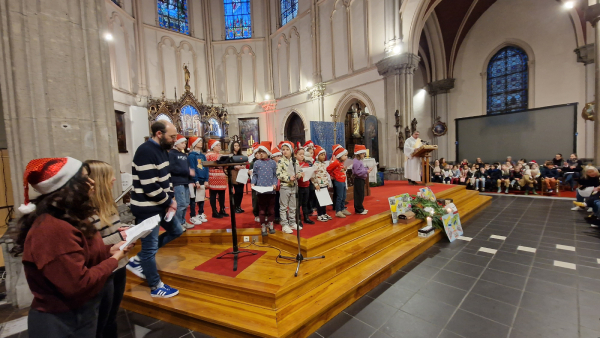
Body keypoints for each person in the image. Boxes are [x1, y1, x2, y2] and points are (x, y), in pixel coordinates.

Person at [16, 157, 129, 337]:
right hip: (62, 320)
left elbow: (80, 255)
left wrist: (109, 251)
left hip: (79, 312)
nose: (92, 182)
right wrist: (113, 260)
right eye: (85, 177)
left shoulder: (69, 217)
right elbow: (78, 284)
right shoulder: (52, 228)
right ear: (70, 186)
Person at [127, 121, 182, 298]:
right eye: (172, 136)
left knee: (176, 230)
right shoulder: (145, 151)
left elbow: (165, 179)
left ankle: (139, 260)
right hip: (147, 208)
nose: (174, 140)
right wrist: (169, 202)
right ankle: (155, 286)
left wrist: (170, 198)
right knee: (150, 248)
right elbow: (149, 186)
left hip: (161, 204)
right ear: (159, 133)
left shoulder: (162, 150)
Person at [85, 160, 133, 338]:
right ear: (97, 180)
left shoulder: (107, 202)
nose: (114, 179)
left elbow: (110, 230)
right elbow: (92, 246)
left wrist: (123, 231)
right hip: (103, 268)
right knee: (101, 321)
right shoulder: (86, 210)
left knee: (112, 316)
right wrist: (121, 237)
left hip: (119, 264)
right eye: (109, 176)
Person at [251, 142, 278, 236]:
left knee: (271, 209)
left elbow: (275, 176)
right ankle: (263, 225)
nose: (261, 153)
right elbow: (255, 175)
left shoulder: (273, 163)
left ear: (267, 152)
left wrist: (275, 184)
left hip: (271, 190)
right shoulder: (257, 163)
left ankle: (270, 224)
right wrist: (253, 183)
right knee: (262, 210)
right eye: (259, 152)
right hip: (260, 190)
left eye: (263, 152)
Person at [277, 141, 303, 234]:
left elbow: (299, 171)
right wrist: (289, 178)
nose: (285, 151)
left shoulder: (294, 160)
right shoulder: (281, 161)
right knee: (283, 206)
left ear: (291, 151)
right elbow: (278, 174)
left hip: (294, 186)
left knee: (293, 206)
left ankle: (292, 222)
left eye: (287, 149)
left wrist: (298, 175)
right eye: (283, 150)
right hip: (285, 186)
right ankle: (284, 224)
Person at [169, 134, 192, 229]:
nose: (184, 145)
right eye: (182, 143)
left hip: (185, 181)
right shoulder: (171, 154)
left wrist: (190, 179)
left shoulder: (183, 155)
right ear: (176, 143)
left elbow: (188, 167)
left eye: (185, 143)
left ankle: (183, 221)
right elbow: (172, 168)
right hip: (177, 182)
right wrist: (187, 171)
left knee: (186, 203)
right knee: (180, 203)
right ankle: (177, 224)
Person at [188, 136, 208, 225]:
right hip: (196, 179)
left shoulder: (203, 155)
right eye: (199, 141)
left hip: (203, 178)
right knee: (194, 198)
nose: (201, 143)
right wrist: (195, 180)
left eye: (201, 141)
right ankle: (193, 215)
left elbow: (206, 167)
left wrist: (207, 179)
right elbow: (192, 168)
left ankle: (200, 213)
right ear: (195, 144)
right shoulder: (191, 156)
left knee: (201, 197)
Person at [206, 139, 229, 218]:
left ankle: (222, 209)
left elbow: (225, 166)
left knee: (222, 194)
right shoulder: (208, 155)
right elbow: (207, 164)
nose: (219, 147)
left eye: (219, 145)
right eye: (217, 145)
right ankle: (214, 211)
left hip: (221, 175)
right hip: (213, 175)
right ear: (213, 147)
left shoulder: (221, 155)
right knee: (213, 194)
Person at [328, 145, 350, 218]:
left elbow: (341, 170)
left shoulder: (342, 162)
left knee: (344, 196)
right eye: (345, 155)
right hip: (338, 181)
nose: (346, 157)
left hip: (343, 180)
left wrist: (345, 169)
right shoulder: (336, 162)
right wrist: (333, 175)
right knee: (339, 196)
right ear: (340, 156)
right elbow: (328, 169)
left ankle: (342, 208)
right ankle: (338, 211)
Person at [296, 144, 314, 225]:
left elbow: (310, 174)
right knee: (298, 203)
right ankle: (298, 218)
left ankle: (306, 217)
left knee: (305, 203)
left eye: (303, 154)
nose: (302, 156)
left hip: (306, 185)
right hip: (299, 186)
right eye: (300, 154)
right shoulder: (295, 164)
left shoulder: (306, 163)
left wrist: (313, 172)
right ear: (295, 155)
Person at [312, 145, 331, 222]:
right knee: (320, 201)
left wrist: (327, 183)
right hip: (319, 185)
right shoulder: (315, 165)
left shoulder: (323, 164)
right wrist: (316, 184)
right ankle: (320, 215)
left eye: (324, 155)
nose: (323, 156)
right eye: (321, 155)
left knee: (324, 200)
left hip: (324, 184)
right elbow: (312, 176)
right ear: (317, 156)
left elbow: (325, 174)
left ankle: (324, 213)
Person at [352, 145, 371, 215]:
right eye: (363, 153)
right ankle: (358, 209)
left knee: (361, 195)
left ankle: (361, 207)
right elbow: (357, 172)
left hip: (361, 179)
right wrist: (366, 171)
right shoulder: (356, 161)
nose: (364, 155)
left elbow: (361, 169)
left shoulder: (359, 161)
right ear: (359, 154)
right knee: (359, 195)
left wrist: (367, 169)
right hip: (358, 179)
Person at [230, 140, 247, 214]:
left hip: (241, 173)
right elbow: (228, 166)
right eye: (235, 146)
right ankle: (235, 206)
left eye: (238, 146)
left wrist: (243, 166)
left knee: (241, 192)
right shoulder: (230, 156)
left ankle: (239, 206)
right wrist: (235, 166)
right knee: (237, 191)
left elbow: (244, 163)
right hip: (234, 173)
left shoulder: (241, 156)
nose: (237, 147)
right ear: (232, 147)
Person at [270, 146, 282, 224]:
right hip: (275, 186)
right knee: (275, 202)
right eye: (278, 156)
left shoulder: (282, 164)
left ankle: (281, 215)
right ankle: (276, 216)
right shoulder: (272, 165)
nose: (279, 157)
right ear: (273, 157)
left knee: (282, 202)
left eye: (280, 156)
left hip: (282, 186)